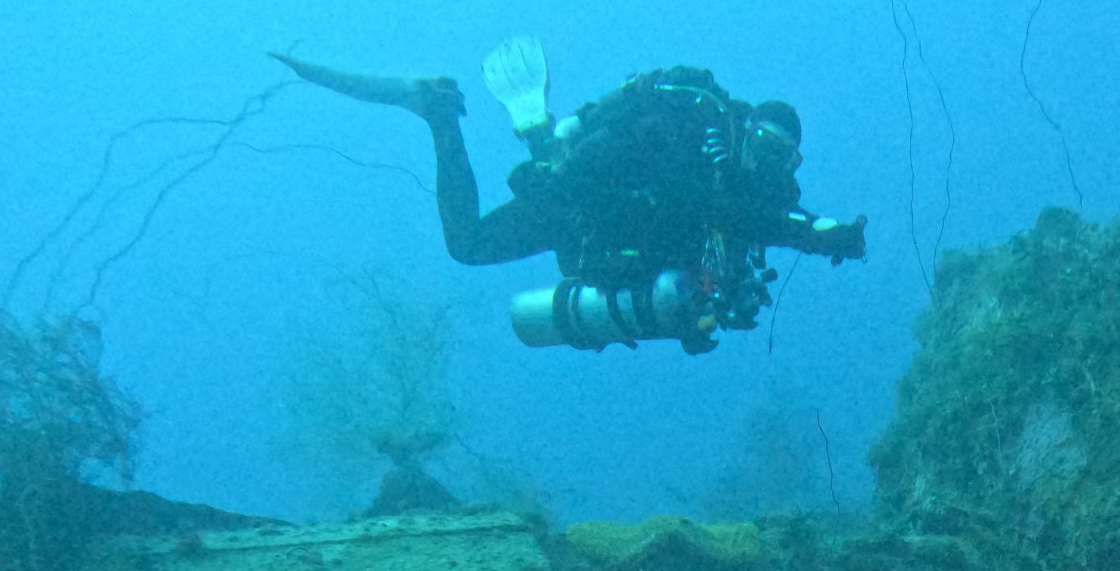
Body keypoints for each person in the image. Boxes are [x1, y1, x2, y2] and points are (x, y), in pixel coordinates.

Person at [272, 40, 867, 353]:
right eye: (762, 144)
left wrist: (686, 319)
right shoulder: (694, 140)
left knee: (471, 246)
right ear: (744, 130)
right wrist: (820, 233)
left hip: (604, 248)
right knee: (467, 245)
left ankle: (529, 133)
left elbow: (730, 246)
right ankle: (442, 114)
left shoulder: (739, 205)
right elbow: (757, 217)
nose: (764, 162)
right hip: (575, 207)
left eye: (780, 157)